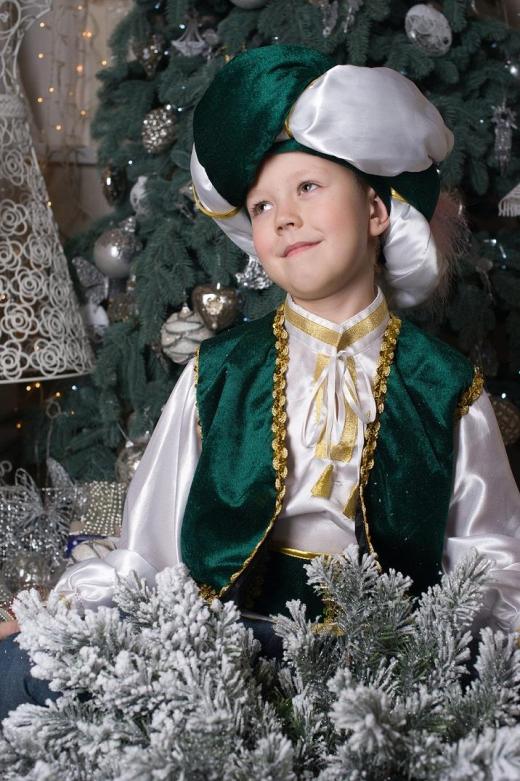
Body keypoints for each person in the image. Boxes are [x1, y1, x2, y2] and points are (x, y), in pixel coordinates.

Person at [1, 45, 520, 715]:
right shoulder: (218, 373)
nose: (284, 217)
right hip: (229, 647)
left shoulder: (445, 387)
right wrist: (57, 611)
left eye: (308, 188)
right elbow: (149, 548)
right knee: (24, 669)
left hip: (386, 668)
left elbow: (491, 559)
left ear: (375, 211)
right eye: (262, 205)